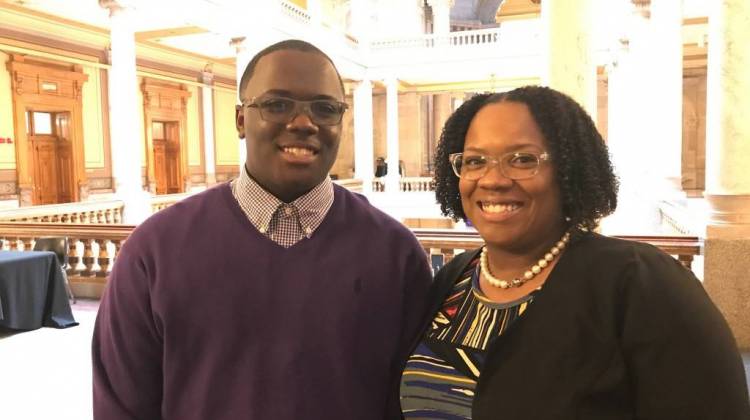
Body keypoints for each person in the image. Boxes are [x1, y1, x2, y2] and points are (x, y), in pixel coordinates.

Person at [92, 39, 432, 420]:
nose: (303, 123)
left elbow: (410, 405)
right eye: (277, 104)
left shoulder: (395, 255)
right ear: (240, 119)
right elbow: (122, 406)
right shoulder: (154, 252)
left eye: (324, 108)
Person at [399, 86, 750, 419]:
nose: (493, 179)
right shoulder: (454, 280)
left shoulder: (641, 283)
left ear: (568, 170)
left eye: (522, 159)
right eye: (475, 161)